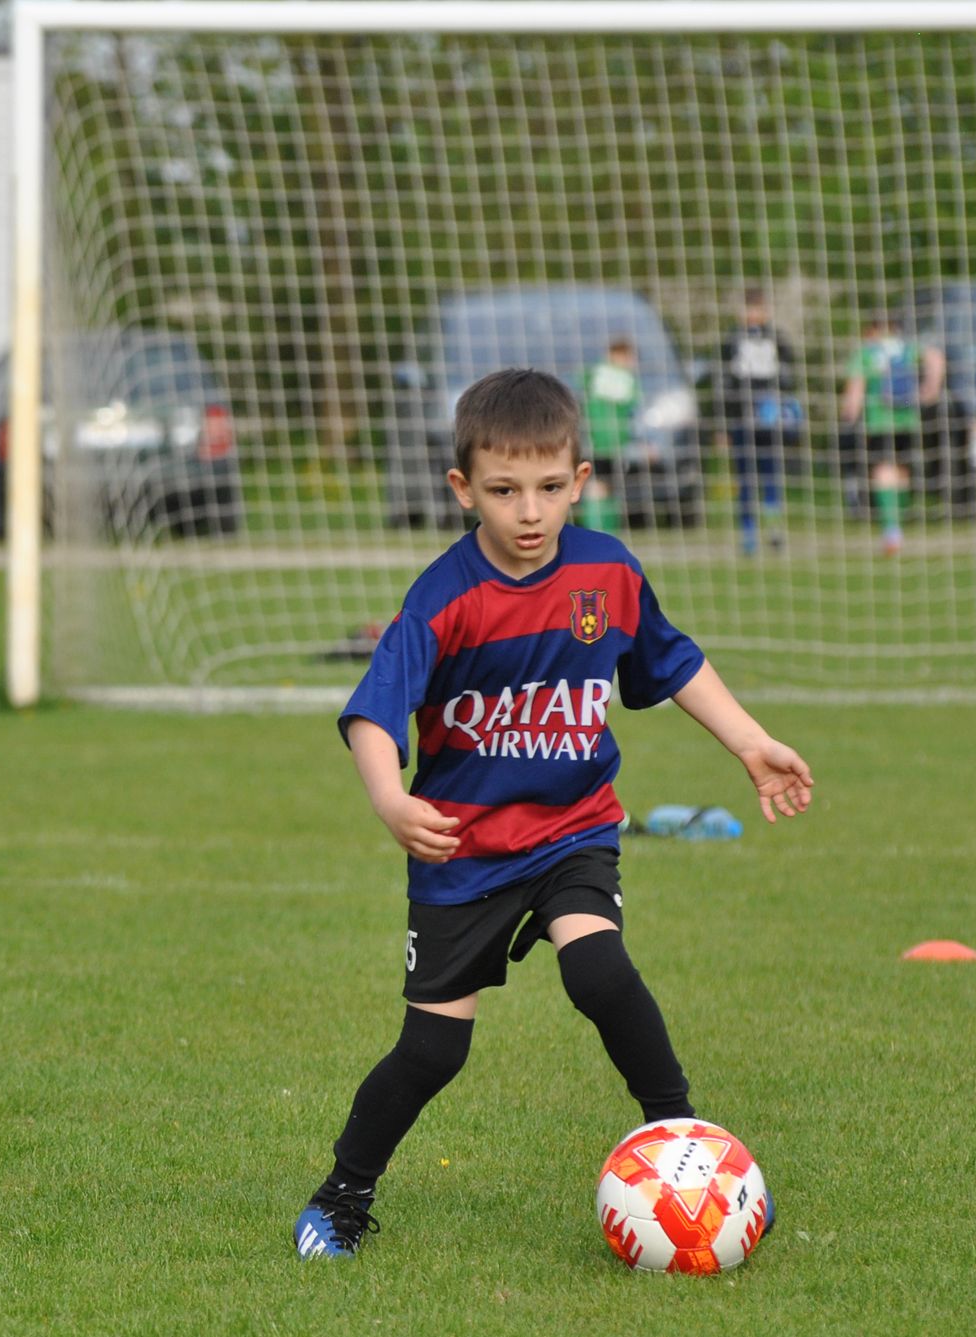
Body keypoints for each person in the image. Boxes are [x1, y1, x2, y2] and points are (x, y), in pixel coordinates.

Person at [294, 368, 813, 1261]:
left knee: (600, 970)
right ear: (464, 490)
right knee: (431, 1052)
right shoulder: (444, 597)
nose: (528, 512)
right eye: (502, 491)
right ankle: (341, 1196)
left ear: (580, 478)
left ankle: (681, 1140)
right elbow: (375, 712)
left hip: (573, 826)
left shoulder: (607, 571)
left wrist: (750, 742)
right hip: (464, 852)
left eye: (547, 488)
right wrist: (390, 795)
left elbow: (671, 660)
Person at [841, 312, 944, 556]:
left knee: (882, 472)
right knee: (900, 472)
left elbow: (855, 388)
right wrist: (930, 389)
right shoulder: (907, 348)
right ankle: (898, 525)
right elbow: (936, 358)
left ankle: (892, 529)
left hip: (879, 421)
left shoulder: (868, 351)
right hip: (907, 419)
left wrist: (848, 417)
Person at [718, 288, 802, 555]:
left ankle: (774, 528)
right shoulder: (731, 341)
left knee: (771, 474)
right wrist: (722, 422)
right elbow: (722, 383)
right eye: (748, 309)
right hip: (742, 418)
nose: (753, 315)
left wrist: (784, 407)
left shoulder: (777, 339)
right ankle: (748, 534)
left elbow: (790, 375)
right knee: (745, 478)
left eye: (757, 309)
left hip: (770, 419)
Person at [579, 335, 638, 534]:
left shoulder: (593, 374)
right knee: (601, 488)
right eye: (628, 357)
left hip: (603, 442)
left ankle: (601, 532)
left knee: (604, 488)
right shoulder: (625, 380)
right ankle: (600, 533)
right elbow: (635, 404)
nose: (632, 362)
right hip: (605, 442)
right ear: (616, 355)